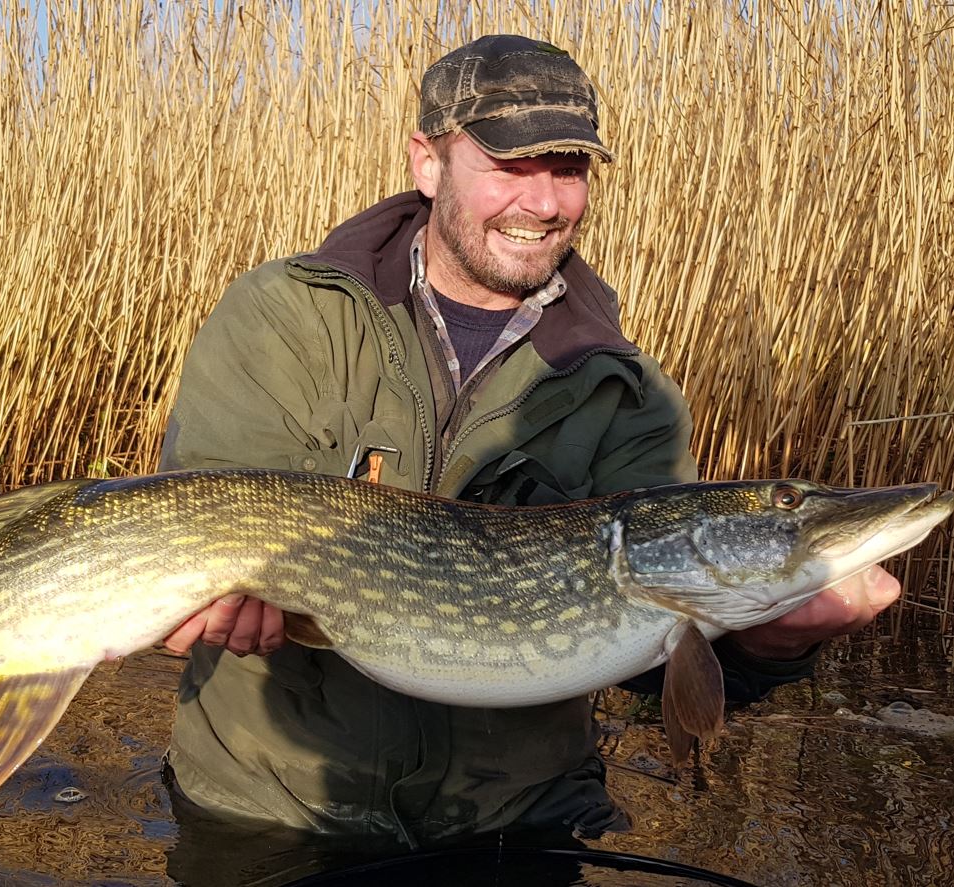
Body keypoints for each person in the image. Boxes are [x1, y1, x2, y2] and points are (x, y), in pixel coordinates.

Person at [157, 34, 901, 850]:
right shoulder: (287, 314)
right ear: (428, 162)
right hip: (262, 812)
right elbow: (208, 512)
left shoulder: (628, 393)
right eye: (510, 166)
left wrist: (768, 643)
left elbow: (653, 675)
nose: (545, 203)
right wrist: (227, 589)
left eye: (568, 170)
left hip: (512, 830)